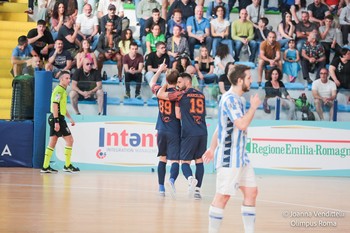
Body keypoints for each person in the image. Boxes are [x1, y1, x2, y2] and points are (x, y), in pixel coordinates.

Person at [202, 64, 261, 233]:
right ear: (240, 80)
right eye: (249, 78)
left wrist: (212, 148)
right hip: (229, 156)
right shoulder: (229, 99)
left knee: (252, 192)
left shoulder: (239, 100)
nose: (251, 81)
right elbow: (242, 124)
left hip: (242, 156)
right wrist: (254, 107)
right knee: (222, 196)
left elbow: (220, 128)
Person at [157, 72, 208, 200]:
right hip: (203, 131)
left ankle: (190, 179)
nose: (178, 85)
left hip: (189, 132)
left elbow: (162, 96)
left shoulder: (181, 95)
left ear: (187, 82)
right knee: (199, 160)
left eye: (180, 82)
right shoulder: (202, 95)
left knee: (185, 162)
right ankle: (197, 191)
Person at [149, 62, 181, 197]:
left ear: (166, 80)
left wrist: (160, 69)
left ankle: (161, 188)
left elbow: (151, 82)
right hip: (174, 129)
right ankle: (172, 180)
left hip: (161, 128)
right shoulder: (178, 94)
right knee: (175, 160)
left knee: (162, 158)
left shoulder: (160, 91)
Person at [40, 70, 80, 173]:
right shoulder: (59, 90)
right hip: (56, 118)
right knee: (70, 140)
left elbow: (61, 107)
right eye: (66, 78)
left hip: (56, 118)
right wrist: (57, 121)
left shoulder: (62, 90)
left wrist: (70, 118)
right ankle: (67, 165)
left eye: (69, 78)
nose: (69, 80)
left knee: (52, 142)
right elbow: (54, 105)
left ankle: (45, 166)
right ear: (61, 79)